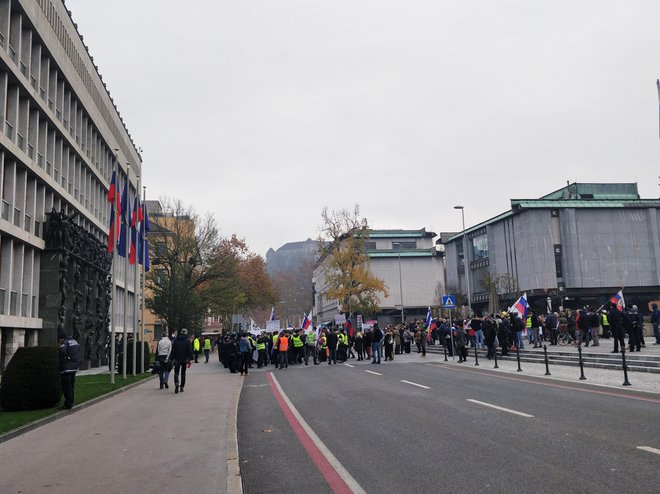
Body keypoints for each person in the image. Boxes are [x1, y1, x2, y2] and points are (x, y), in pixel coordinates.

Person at [58, 330, 79, 410]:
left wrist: (65, 358)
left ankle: (68, 404)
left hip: (67, 368)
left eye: (59, 339)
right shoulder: (74, 341)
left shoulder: (65, 343)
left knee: (66, 387)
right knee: (71, 386)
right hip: (74, 367)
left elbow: (62, 350)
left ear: (62, 338)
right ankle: (71, 402)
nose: (59, 341)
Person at [171, 328, 193, 394]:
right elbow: (190, 351)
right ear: (186, 333)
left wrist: (172, 358)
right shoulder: (187, 341)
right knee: (183, 373)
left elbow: (173, 350)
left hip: (177, 359)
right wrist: (190, 359)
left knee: (176, 373)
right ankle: (182, 387)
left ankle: (177, 383)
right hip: (184, 359)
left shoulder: (176, 340)